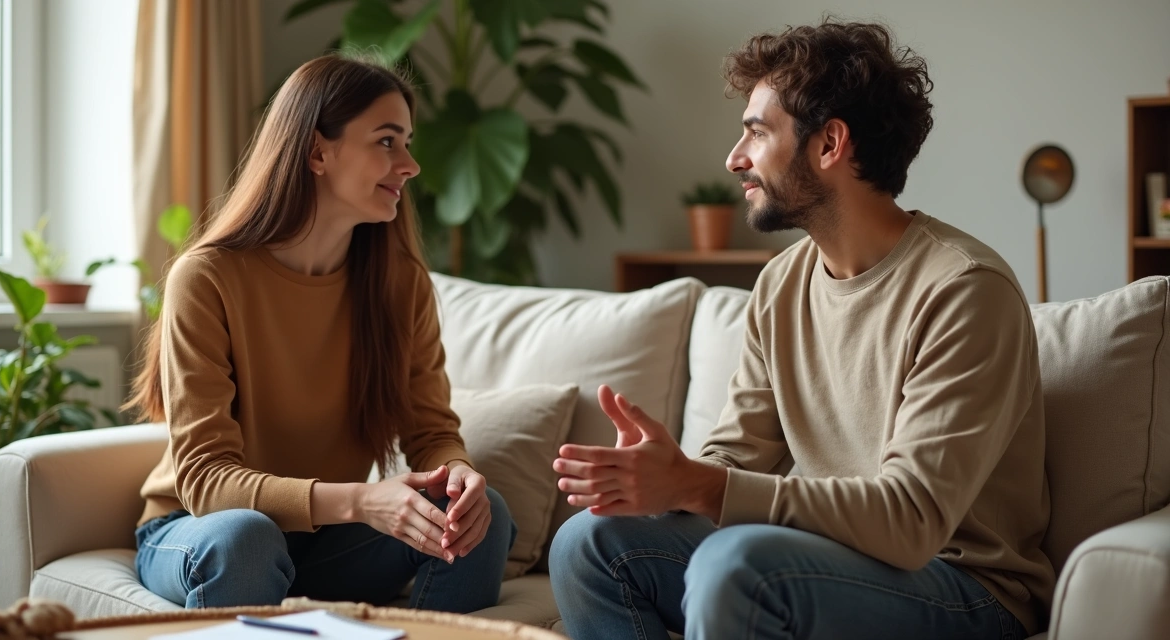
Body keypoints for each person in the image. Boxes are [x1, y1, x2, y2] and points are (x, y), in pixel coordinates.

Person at [549, 19, 1052, 640]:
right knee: (588, 543)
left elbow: (912, 520)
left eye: (757, 133)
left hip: (965, 589)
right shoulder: (782, 283)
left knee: (734, 567)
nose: (735, 159)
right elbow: (734, 457)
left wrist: (702, 484)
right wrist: (667, 477)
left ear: (829, 144)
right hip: (824, 563)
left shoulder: (965, 291)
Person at [124, 54, 514, 613]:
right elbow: (207, 483)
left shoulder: (400, 283)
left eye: (407, 142)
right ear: (316, 151)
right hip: (198, 531)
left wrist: (458, 475)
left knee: (484, 516)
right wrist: (361, 501)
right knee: (247, 537)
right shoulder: (208, 278)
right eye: (386, 141)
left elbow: (431, 430)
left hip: (326, 544)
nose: (410, 165)